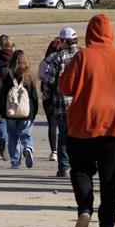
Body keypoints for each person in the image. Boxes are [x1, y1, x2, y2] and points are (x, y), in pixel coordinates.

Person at [59, 14, 115, 227]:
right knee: (110, 179)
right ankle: (108, 225)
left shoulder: (82, 57)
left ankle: (85, 208)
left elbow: (66, 87)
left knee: (81, 171)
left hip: (84, 125)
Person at [41, 27, 81, 177]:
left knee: (64, 136)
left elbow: (49, 80)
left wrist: (46, 95)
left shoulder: (58, 57)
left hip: (62, 104)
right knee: (79, 137)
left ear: (65, 41)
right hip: (81, 104)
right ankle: (79, 165)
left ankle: (64, 167)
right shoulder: (84, 55)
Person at [0, 50, 39, 168]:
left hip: (10, 112)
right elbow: (33, 96)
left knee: (13, 137)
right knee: (25, 134)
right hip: (26, 112)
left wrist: (2, 111)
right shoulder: (29, 75)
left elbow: (3, 95)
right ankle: (27, 148)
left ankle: (15, 161)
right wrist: (33, 112)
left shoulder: (7, 75)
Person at [39, 38, 63, 163]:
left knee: (52, 125)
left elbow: (41, 77)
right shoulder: (63, 60)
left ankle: (54, 151)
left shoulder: (44, 62)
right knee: (63, 126)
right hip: (61, 97)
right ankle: (63, 150)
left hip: (48, 97)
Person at [0, 35, 14, 160]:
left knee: (0, 120)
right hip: (14, 94)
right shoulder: (16, 58)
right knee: (14, 120)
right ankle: (13, 144)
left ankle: (4, 139)